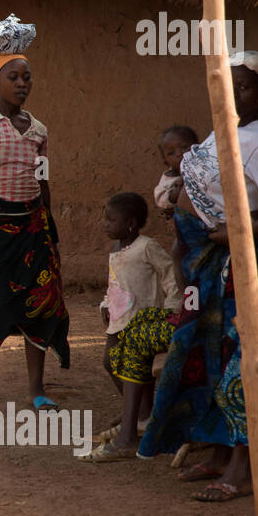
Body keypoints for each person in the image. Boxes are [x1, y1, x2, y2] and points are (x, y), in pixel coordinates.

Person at [139, 48, 258, 502]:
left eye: (245, 85)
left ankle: (243, 466)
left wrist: (242, 231)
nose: (235, 93)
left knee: (243, 361)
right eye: (227, 84)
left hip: (236, 267)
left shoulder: (256, 141)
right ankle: (217, 451)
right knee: (206, 356)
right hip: (205, 270)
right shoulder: (222, 134)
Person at [0, 50, 71, 409]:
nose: (22, 83)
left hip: (33, 228)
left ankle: (36, 390)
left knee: (39, 305)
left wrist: (50, 233)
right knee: (0, 300)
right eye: (14, 77)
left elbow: (43, 183)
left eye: (27, 77)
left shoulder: (38, 130)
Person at [78, 192, 181, 461]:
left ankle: (140, 415)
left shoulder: (146, 246)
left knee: (138, 365)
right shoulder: (115, 250)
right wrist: (104, 304)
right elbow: (115, 283)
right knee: (111, 362)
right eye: (106, 219)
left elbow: (169, 273)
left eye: (112, 220)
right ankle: (139, 411)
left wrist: (172, 307)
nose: (106, 225)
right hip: (118, 318)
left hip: (143, 317)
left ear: (132, 224)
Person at [155, 125, 198, 217]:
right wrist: (181, 186)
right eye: (171, 153)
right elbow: (162, 201)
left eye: (183, 147)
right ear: (165, 162)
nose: (179, 154)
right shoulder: (168, 180)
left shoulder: (206, 165)